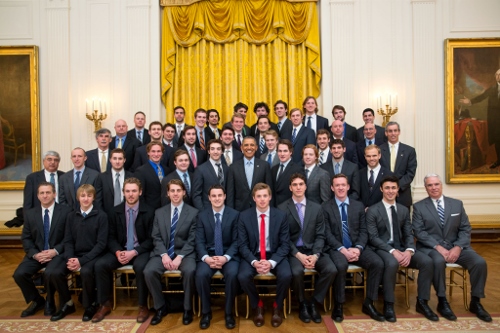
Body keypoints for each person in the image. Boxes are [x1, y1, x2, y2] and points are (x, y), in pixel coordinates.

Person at [412, 174, 491, 322]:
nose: (434, 188)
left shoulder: (456, 204)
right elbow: (419, 232)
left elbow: (465, 228)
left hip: (457, 247)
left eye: (436, 184)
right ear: (426, 188)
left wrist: (458, 247)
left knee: (479, 262)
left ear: (441, 185)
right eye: (430, 185)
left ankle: (476, 301)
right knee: (438, 261)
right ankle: (442, 301)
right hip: (431, 248)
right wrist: (438, 247)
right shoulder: (419, 207)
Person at [366, 176, 438, 322]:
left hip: (403, 249)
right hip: (383, 249)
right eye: (387, 188)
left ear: (398, 190)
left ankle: (422, 302)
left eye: (393, 188)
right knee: (392, 263)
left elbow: (408, 234)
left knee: (427, 261)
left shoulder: (404, 210)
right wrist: (393, 252)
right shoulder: (373, 210)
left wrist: (409, 250)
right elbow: (373, 238)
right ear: (381, 189)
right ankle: (389, 305)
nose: (390, 191)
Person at [322, 174, 385, 323]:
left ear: (348, 186)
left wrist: (358, 248)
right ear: (332, 188)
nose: (340, 188)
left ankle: (369, 303)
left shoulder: (358, 206)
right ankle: (339, 305)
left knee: (377, 263)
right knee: (341, 265)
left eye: (343, 184)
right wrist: (342, 249)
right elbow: (326, 233)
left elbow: (364, 230)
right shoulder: (325, 207)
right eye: (337, 185)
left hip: (357, 247)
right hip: (336, 248)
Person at [93, 178, 155, 323]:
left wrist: (134, 252)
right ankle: (104, 304)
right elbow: (110, 236)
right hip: (120, 250)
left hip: (140, 251)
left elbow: (152, 239)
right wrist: (117, 252)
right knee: (100, 265)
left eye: (134, 191)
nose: (131, 194)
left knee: (140, 267)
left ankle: (142, 305)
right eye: (127, 191)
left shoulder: (150, 211)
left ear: (140, 192)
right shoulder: (114, 212)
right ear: (123, 193)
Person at [278, 173, 336, 324]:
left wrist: (316, 255)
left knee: (331, 269)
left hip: (314, 250)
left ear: (306, 186)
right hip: (294, 252)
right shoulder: (282, 208)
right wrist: (299, 256)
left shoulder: (317, 208)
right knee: (297, 272)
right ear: (290, 187)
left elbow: (321, 235)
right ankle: (303, 303)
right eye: (295, 185)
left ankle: (314, 302)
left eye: (301, 184)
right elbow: (283, 238)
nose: (298, 187)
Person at [144, 179, 198, 326]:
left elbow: (192, 239)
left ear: (184, 193)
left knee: (190, 271)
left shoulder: (193, 213)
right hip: (163, 253)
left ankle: (187, 309)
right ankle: (160, 307)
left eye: (178, 191)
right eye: (172, 191)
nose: (175, 194)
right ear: (167, 193)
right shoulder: (159, 212)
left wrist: (179, 257)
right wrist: (164, 255)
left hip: (185, 253)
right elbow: (156, 236)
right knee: (149, 271)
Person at [13, 182, 72, 318]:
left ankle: (54, 302)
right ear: (38, 195)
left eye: (48, 192)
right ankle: (37, 300)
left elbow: (70, 237)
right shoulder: (30, 214)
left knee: (50, 273)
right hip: (37, 254)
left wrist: (55, 251)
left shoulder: (65, 212)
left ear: (54, 194)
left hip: (58, 254)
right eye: (42, 193)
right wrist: (35, 254)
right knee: (19, 274)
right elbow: (26, 238)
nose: (45, 196)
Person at [237, 183, 291, 328]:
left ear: (270, 197)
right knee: (242, 276)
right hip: (253, 255)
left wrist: (271, 262)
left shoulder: (280, 216)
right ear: (254, 198)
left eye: (265, 196)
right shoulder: (244, 216)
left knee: (286, 275)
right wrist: (254, 262)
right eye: (259, 196)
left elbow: (285, 244)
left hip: (274, 255)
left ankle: (277, 306)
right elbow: (242, 245)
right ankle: (258, 305)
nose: (262, 199)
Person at [53, 184, 109, 322]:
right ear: (78, 198)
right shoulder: (71, 216)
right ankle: (67, 303)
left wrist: (81, 261)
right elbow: (68, 240)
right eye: (83, 196)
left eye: (89, 196)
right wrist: (71, 258)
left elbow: (101, 244)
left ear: (93, 197)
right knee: (55, 271)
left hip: (92, 255)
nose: (85, 199)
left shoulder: (101, 216)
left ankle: (89, 306)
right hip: (74, 255)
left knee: (85, 272)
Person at [195, 185, 239, 330]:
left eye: (220, 195)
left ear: (225, 196)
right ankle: (206, 312)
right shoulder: (202, 215)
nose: (217, 198)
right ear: (209, 198)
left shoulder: (234, 215)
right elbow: (199, 241)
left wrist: (225, 258)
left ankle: (228, 313)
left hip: (228, 255)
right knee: (201, 274)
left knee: (232, 274)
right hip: (209, 255)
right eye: (213, 196)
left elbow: (237, 241)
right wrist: (206, 258)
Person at [459, 68, 500, 169]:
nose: (498, 77)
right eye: (497, 75)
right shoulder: (492, 88)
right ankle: (499, 160)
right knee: (497, 140)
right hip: (495, 120)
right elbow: (482, 97)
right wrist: (470, 102)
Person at [226, 137, 273, 211]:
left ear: (256, 147)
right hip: (239, 210)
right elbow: (230, 193)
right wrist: (230, 213)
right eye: (246, 145)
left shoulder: (264, 166)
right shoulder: (233, 167)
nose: (249, 147)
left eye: (252, 145)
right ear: (241, 147)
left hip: (261, 209)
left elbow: (269, 190)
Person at [379, 121, 417, 208]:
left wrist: (396, 187)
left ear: (399, 132)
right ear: (386, 133)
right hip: (383, 194)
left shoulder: (409, 151)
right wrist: (388, 188)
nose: (393, 133)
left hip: (402, 194)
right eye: (390, 131)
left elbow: (410, 173)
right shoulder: (379, 150)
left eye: (395, 131)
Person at [192, 139, 228, 211]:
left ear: (222, 151)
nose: (215, 152)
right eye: (212, 149)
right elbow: (196, 195)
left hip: (225, 211)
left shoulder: (227, 169)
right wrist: (202, 212)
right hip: (207, 211)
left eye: (218, 149)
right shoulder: (200, 169)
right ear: (208, 151)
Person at [94, 148, 134, 214]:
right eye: (114, 158)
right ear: (110, 160)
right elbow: (98, 200)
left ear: (124, 160)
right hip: (107, 216)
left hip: (127, 215)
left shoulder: (132, 176)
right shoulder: (101, 177)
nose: (117, 162)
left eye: (120, 159)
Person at [359, 145, 393, 209]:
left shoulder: (388, 174)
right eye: (368, 156)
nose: (371, 159)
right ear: (365, 157)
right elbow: (357, 194)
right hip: (363, 213)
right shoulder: (359, 174)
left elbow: (390, 195)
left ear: (379, 156)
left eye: (374, 155)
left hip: (381, 213)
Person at [134, 142, 166, 210]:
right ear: (148, 153)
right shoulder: (141, 171)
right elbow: (140, 195)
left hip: (165, 209)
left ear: (162, 153)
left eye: (158, 151)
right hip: (149, 210)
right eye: (153, 151)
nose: (156, 154)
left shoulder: (167, 170)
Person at [271, 140, 304, 206]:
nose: (282, 154)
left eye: (285, 151)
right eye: (280, 151)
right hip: (275, 207)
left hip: (290, 207)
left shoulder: (297, 169)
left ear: (290, 152)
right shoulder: (273, 169)